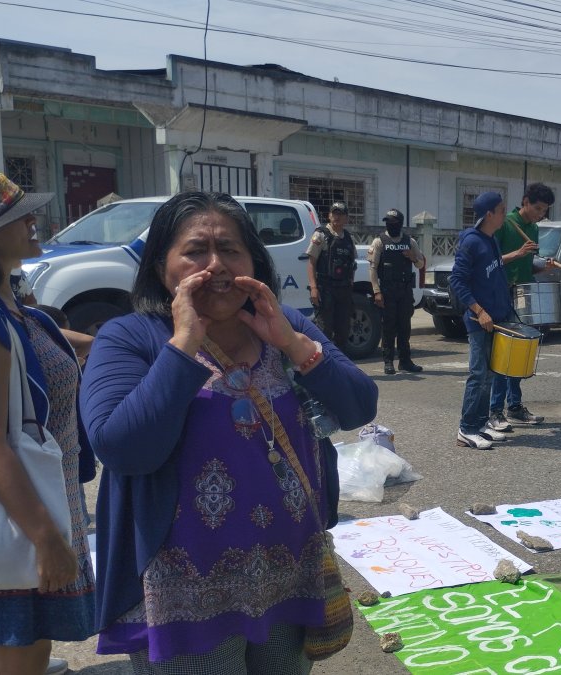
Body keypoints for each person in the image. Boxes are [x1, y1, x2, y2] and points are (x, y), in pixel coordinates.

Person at [80, 192, 377, 672]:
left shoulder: (285, 326)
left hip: (287, 577)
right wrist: (182, 346)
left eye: (231, 249)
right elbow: (122, 448)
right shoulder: (131, 337)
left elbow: (359, 405)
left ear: (253, 263)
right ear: (162, 267)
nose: (216, 264)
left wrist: (292, 343)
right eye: (196, 250)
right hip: (183, 593)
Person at [0, 165, 95, 675]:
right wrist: (46, 539)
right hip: (14, 515)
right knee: (13, 652)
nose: (35, 220)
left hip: (39, 503)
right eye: (19, 215)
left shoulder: (13, 308)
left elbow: (44, 340)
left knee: (25, 650)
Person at [450, 192, 514, 449]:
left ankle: (481, 423)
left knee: (489, 374)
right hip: (479, 322)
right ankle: (466, 429)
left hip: (497, 320)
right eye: (501, 210)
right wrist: (479, 310)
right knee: (478, 375)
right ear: (489, 214)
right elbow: (456, 280)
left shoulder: (492, 240)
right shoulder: (471, 242)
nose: (504, 215)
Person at [488, 183, 554, 431]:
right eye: (537, 208)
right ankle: (495, 410)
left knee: (520, 353)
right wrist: (518, 253)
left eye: (544, 210)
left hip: (524, 294)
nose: (540, 214)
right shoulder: (506, 224)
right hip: (503, 294)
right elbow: (491, 261)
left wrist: (543, 266)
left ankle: (514, 407)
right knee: (504, 353)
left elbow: (527, 265)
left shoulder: (533, 229)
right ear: (525, 202)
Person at [369, 208, 425, 374]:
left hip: (405, 291)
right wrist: (376, 291)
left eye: (393, 222)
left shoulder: (410, 242)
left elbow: (421, 264)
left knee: (404, 327)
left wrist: (412, 257)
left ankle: (405, 361)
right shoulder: (379, 241)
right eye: (388, 222)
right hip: (387, 291)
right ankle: (388, 361)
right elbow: (372, 269)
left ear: (400, 223)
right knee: (389, 327)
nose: (390, 225)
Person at [306, 201, 357, 355]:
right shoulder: (321, 235)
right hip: (325, 288)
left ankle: (339, 365)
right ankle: (325, 365)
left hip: (343, 290)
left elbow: (352, 264)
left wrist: (350, 284)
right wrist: (314, 288)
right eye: (334, 213)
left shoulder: (348, 238)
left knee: (343, 330)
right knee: (324, 330)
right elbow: (311, 264)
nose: (337, 217)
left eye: (340, 214)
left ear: (346, 218)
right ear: (329, 216)